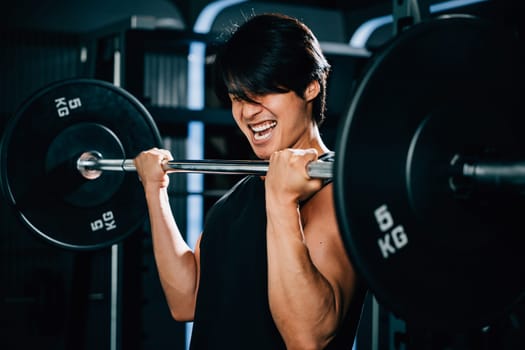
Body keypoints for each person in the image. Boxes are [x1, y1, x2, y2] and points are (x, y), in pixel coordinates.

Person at [133, 13, 366, 349]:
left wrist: (283, 203)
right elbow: (185, 301)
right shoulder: (240, 195)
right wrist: (155, 192)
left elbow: (307, 338)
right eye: (237, 97)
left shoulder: (337, 192)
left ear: (311, 85)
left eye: (263, 92)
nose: (247, 112)